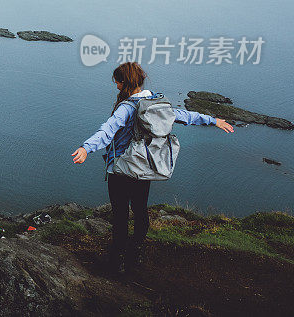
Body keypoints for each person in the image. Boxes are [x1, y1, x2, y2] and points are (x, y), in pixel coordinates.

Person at [70, 61, 234, 272]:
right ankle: (134, 254)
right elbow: (183, 115)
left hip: (121, 170)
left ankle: (115, 263)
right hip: (145, 168)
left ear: (123, 82)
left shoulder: (127, 107)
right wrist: (213, 120)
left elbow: (107, 131)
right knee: (140, 211)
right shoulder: (156, 102)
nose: (116, 86)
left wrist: (86, 148)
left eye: (117, 83)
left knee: (120, 217)